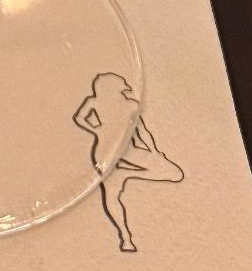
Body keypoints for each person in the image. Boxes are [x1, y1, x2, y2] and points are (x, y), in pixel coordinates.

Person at [72, 71, 183, 252]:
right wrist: (153, 151)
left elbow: (80, 118)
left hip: (105, 152)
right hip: (125, 151)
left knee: (112, 196)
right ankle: (125, 236)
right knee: (173, 173)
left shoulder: (96, 102)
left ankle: (126, 238)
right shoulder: (130, 104)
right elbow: (142, 132)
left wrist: (97, 130)